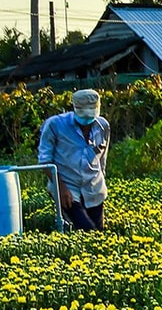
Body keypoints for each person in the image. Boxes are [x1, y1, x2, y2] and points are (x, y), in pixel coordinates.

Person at [37, 88, 111, 230]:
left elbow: (102, 159)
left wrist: (102, 181)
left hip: (94, 188)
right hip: (68, 187)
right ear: (74, 108)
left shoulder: (103, 126)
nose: (86, 120)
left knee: (98, 232)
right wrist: (61, 188)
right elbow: (45, 161)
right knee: (87, 229)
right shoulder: (55, 125)